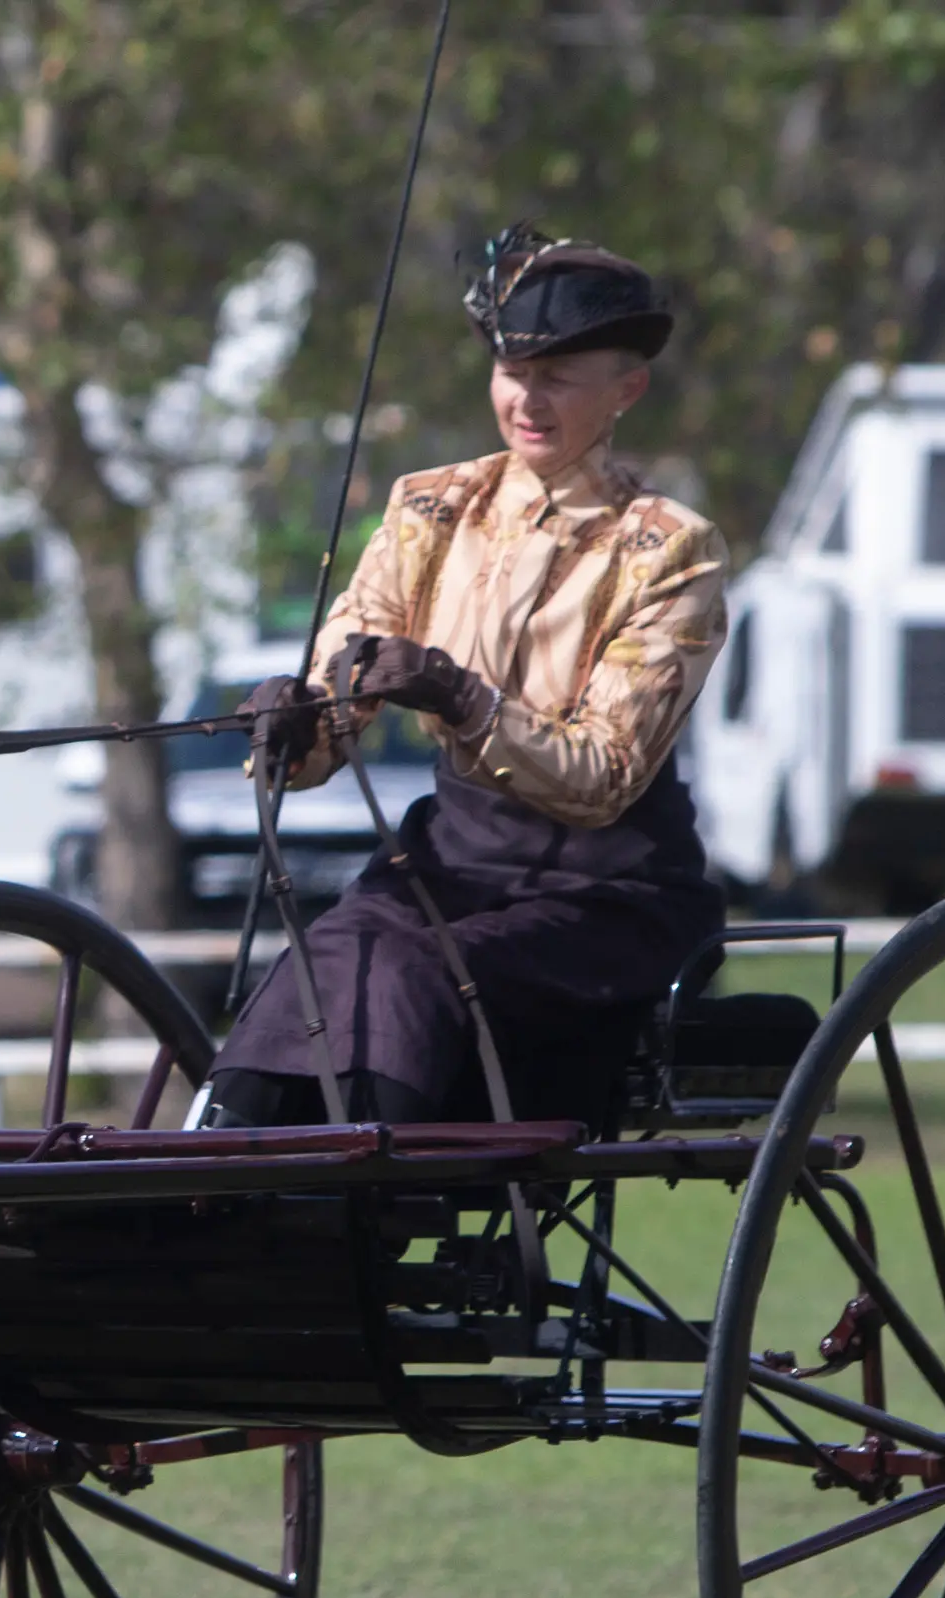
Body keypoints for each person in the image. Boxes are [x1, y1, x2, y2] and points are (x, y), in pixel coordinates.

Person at [199, 224, 730, 1132]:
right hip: (446, 865)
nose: (527, 398)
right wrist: (295, 725)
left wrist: (461, 696)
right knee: (326, 953)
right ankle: (205, 1179)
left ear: (624, 390)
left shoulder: (668, 549)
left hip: (603, 898)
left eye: (559, 376)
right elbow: (342, 683)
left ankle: (350, 1200)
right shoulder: (431, 508)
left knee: (404, 967)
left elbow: (603, 776)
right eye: (511, 372)